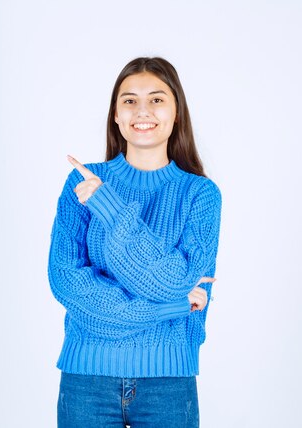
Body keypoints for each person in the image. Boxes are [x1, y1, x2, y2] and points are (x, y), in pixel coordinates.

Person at [48, 57, 222, 427]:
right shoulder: (82, 183)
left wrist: (109, 208)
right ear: (115, 114)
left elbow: (174, 280)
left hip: (168, 384)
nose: (142, 110)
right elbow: (68, 284)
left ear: (177, 113)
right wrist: (168, 308)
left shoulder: (200, 194)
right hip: (87, 379)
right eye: (129, 100)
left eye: (157, 99)